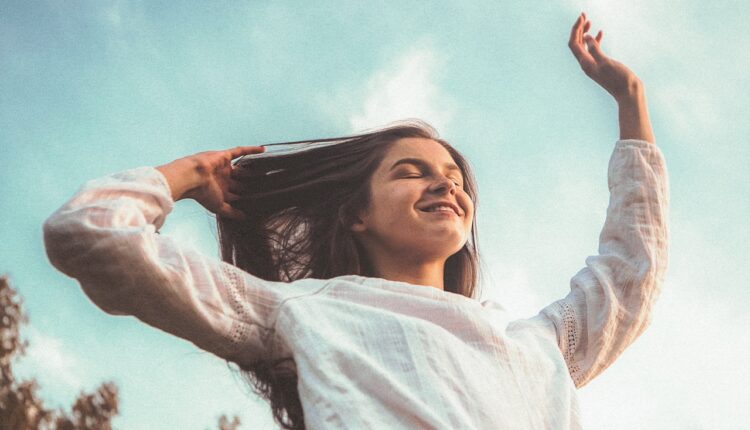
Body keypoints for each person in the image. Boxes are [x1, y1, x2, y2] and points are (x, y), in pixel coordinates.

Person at [43, 13, 668, 430]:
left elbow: (628, 277)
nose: (445, 182)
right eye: (410, 171)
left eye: (453, 175)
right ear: (357, 215)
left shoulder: (535, 344)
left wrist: (631, 105)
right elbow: (91, 232)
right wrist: (184, 173)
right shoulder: (304, 310)